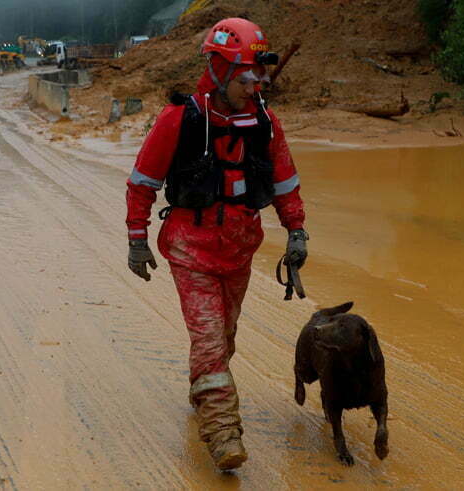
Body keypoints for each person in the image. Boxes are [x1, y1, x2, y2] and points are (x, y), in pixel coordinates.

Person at [125, 18, 307, 470]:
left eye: (259, 77)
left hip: (240, 249)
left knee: (223, 338)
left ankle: (204, 386)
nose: (256, 85)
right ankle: (223, 433)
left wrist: (297, 231)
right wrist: (136, 240)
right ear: (219, 67)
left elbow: (285, 182)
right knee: (208, 339)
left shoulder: (265, 122)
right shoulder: (179, 119)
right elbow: (142, 183)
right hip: (191, 249)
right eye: (248, 77)